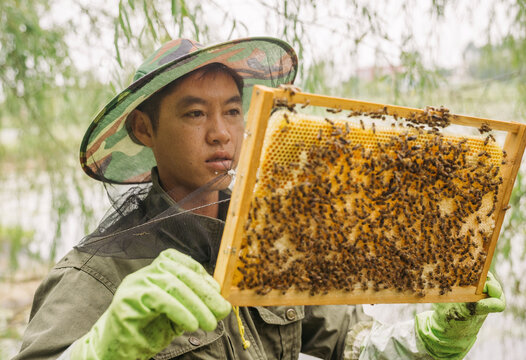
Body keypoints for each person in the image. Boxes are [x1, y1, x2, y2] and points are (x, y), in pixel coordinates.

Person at [14, 37, 505, 360]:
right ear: (145, 129)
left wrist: (435, 336)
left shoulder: (269, 240)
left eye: (232, 111)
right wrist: (101, 350)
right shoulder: (96, 273)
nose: (221, 134)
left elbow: (358, 345)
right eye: (193, 115)